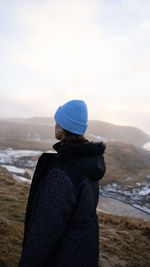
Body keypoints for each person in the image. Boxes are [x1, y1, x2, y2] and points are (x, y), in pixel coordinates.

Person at [18, 99, 106, 267]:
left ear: (62, 127)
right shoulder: (88, 162)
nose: (55, 124)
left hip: (63, 257)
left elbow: (44, 232)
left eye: (57, 121)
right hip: (83, 253)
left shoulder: (62, 172)